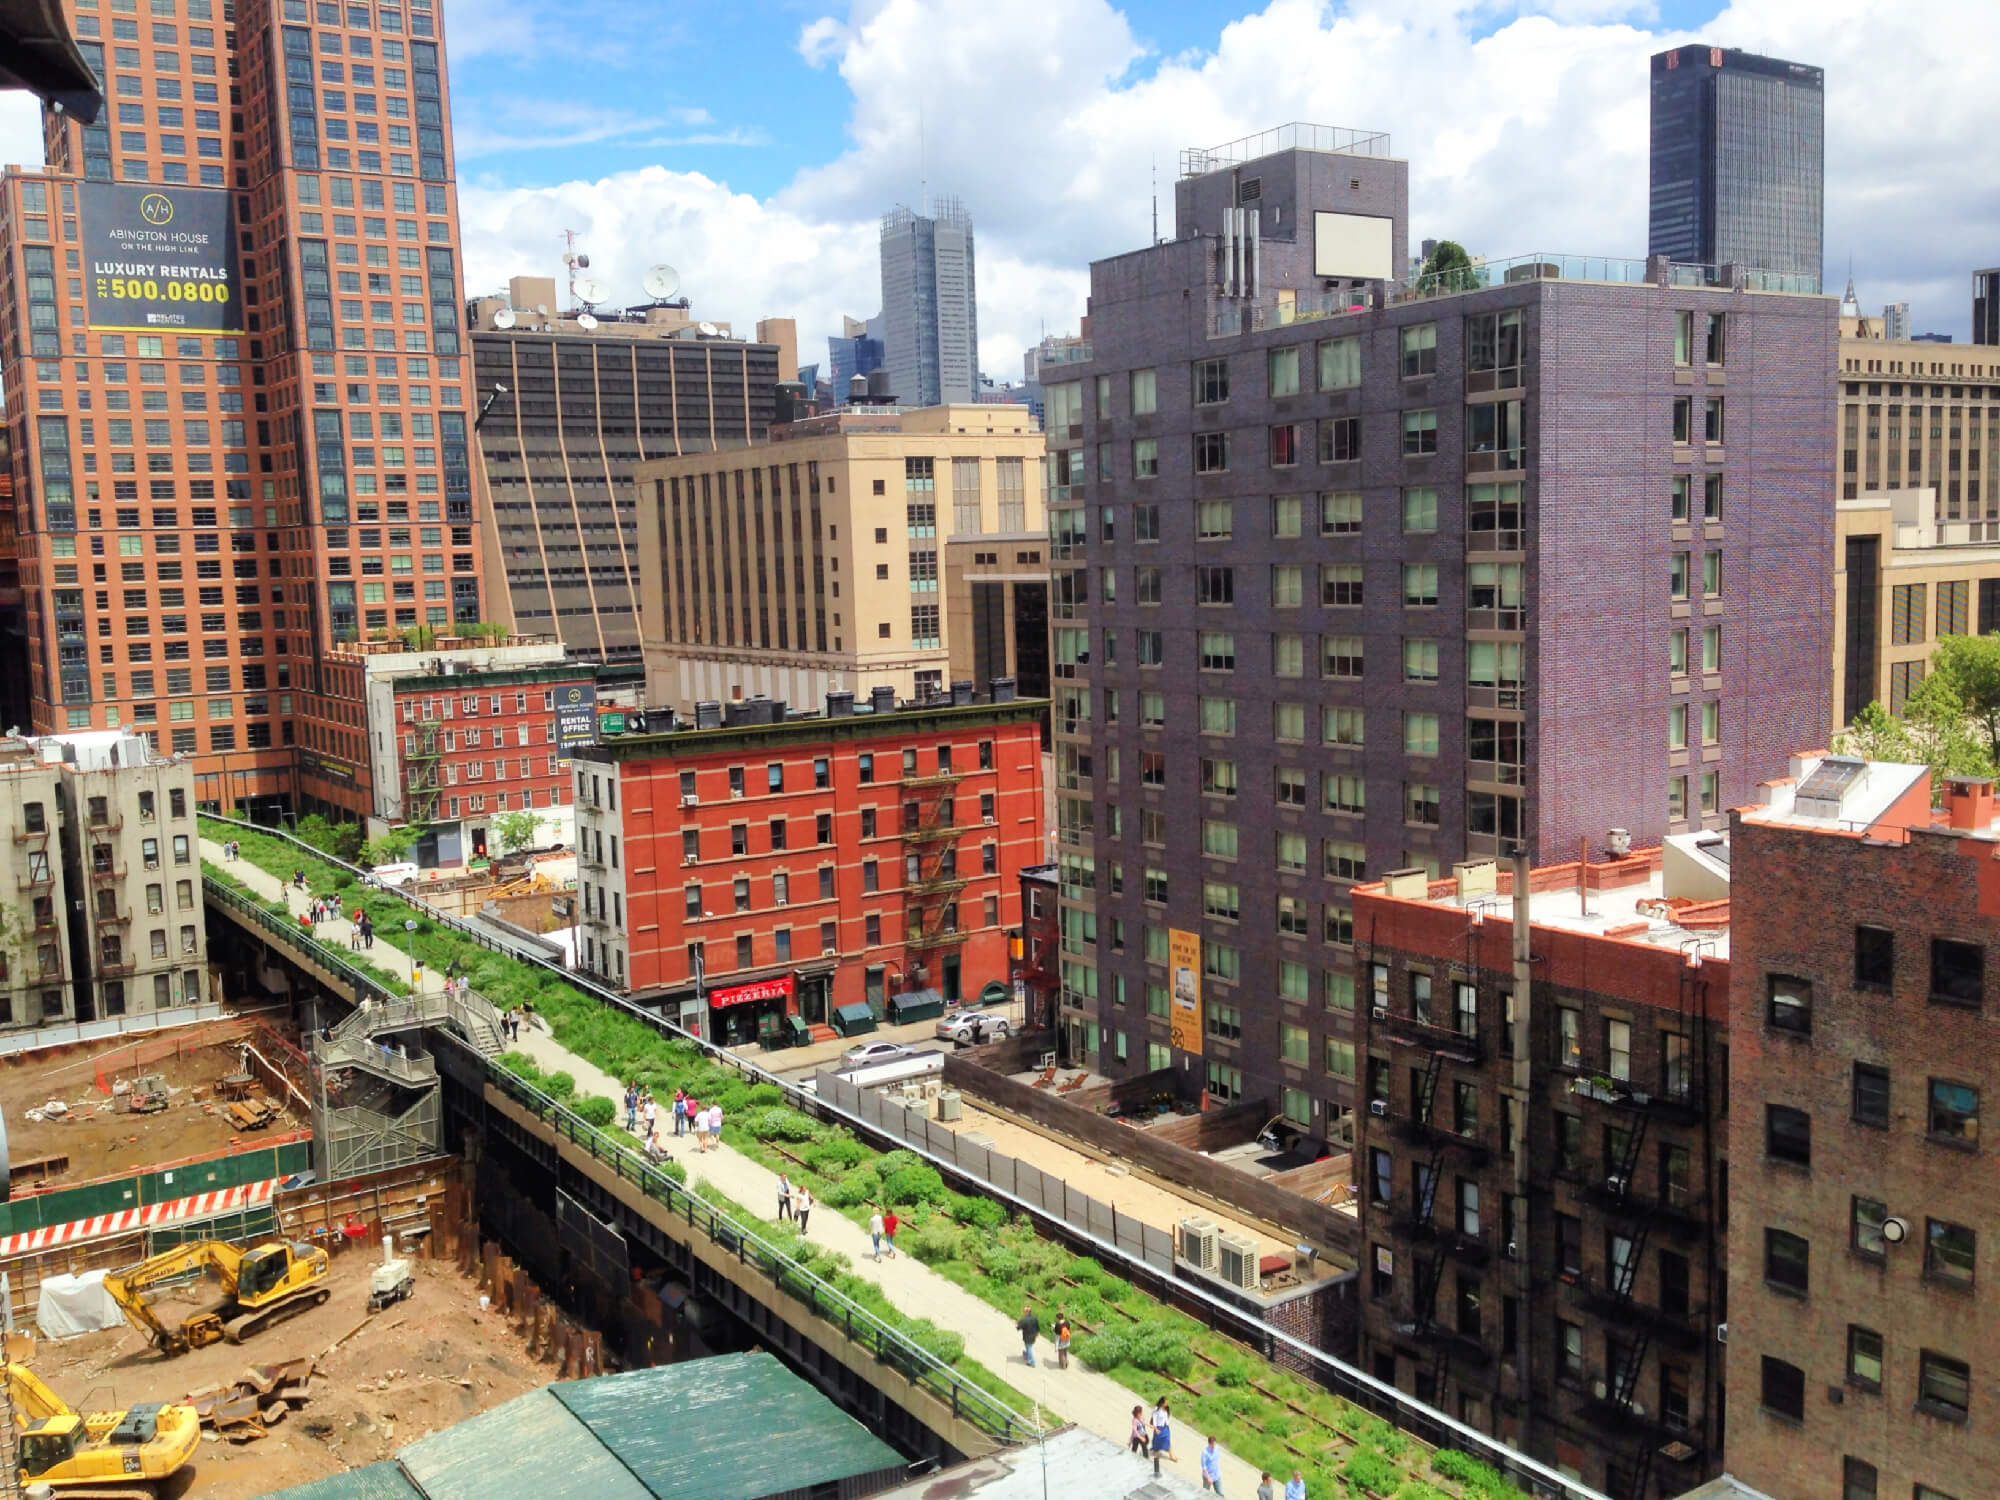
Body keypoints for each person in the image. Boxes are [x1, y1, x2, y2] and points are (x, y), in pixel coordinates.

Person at [1151, 1398, 1175, 1463]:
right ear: (1162, 1403)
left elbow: (1168, 1417)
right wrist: (1155, 1428)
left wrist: (1168, 1423)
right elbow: (1154, 1419)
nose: (1167, 1404)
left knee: (1167, 1440)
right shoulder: (1157, 1409)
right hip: (1158, 1427)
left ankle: (1171, 1456)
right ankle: (1156, 1451)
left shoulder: (1167, 1409)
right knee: (1157, 1441)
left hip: (1165, 1428)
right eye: (1166, 1403)